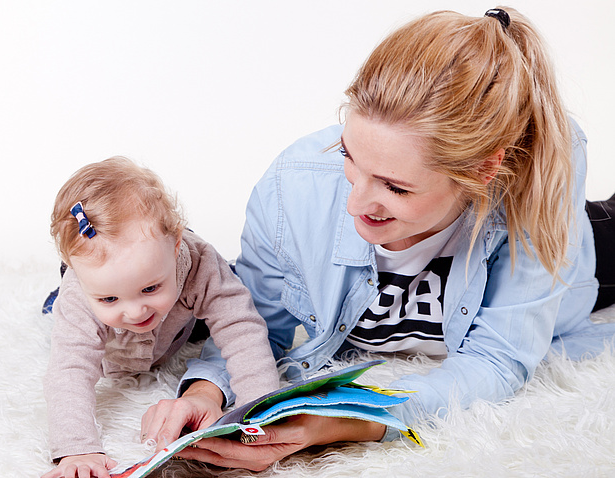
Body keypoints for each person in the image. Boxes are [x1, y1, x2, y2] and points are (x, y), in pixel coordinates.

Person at [141, 7, 615, 471]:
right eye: (349, 157)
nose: (355, 204)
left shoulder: (535, 179)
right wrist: (206, 390)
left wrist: (347, 422)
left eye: (395, 186)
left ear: (484, 170)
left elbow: (499, 360)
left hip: (593, 253)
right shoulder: (293, 187)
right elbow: (253, 321)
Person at [42, 156, 280, 478]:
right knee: (60, 315)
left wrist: (260, 409)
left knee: (231, 291)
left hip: (179, 323)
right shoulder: (80, 295)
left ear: (177, 243)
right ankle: (63, 299)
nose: (136, 311)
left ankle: (183, 293)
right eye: (109, 298)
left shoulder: (198, 261)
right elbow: (69, 370)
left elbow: (241, 329)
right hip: (108, 337)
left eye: (150, 288)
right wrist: (78, 450)